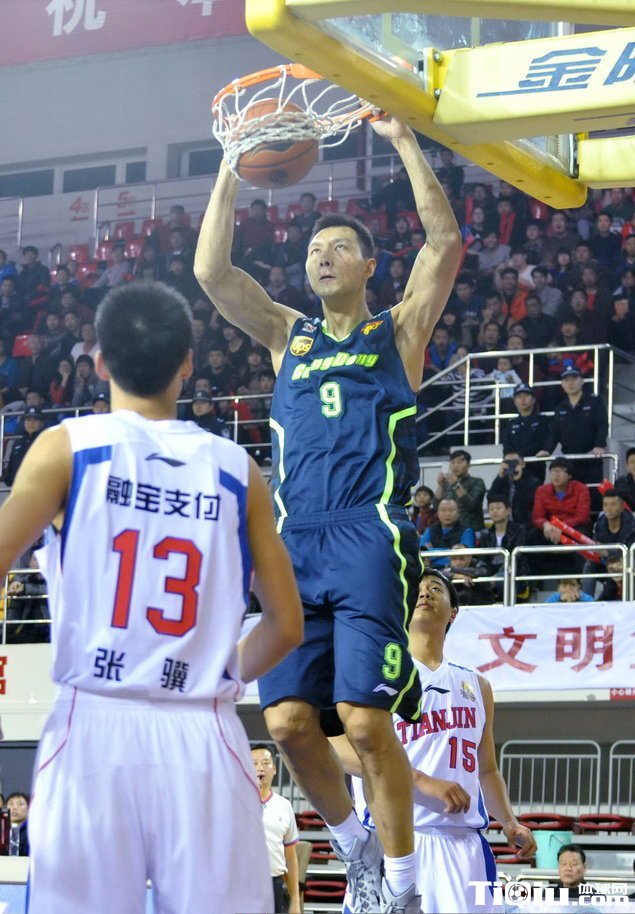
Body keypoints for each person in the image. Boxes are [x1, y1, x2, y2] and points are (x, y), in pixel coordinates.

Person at [196, 111, 462, 914]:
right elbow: (213, 273)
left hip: (368, 532)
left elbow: (444, 245)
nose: (321, 254)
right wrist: (230, 165)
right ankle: (356, 852)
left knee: (363, 719)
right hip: (293, 543)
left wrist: (404, 142)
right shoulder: (288, 336)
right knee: (283, 722)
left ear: (368, 265)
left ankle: (405, 889)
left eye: (339, 246)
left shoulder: (398, 330)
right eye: (314, 247)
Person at [0, 281, 304, 914]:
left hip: (93, 725)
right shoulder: (235, 469)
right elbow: (285, 624)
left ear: (99, 362)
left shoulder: (67, 447)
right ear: (187, 363)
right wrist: (216, 671)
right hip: (202, 731)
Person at [331, 571, 535, 914]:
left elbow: (487, 770)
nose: (425, 593)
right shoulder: (373, 671)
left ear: (453, 612)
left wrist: (509, 821)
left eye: (435, 589)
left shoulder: (477, 685)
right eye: (417, 590)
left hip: (463, 845)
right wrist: (417, 779)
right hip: (393, 839)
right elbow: (335, 747)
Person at [251, 744, 301, 914]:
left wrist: (295, 900)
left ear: (274, 769)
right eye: (254, 763)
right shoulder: (234, 803)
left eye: (266, 763)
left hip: (274, 885)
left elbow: (290, 856)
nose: (260, 768)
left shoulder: (284, 806)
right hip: (241, 885)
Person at [545, 366, 609, 488]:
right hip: (569, 461)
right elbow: (554, 433)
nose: (570, 383)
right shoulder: (559, 408)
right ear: (562, 384)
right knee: (571, 495)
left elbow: (602, 424)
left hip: (591, 458)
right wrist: (547, 450)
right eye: (566, 380)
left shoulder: (594, 402)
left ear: (582, 381)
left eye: (574, 378)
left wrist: (600, 445)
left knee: (593, 494)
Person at [581, 489, 635, 596]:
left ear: (622, 507)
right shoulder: (599, 524)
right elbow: (597, 545)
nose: (608, 509)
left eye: (613, 504)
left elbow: (631, 551)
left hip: (628, 565)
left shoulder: (632, 525)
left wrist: (608, 552)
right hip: (607, 564)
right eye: (605, 505)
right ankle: (587, 599)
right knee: (589, 565)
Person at [501, 385, 550, 482]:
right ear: (515, 401)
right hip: (513, 468)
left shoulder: (542, 421)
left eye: (526, 396)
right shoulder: (511, 423)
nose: (523, 399)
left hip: (535, 469)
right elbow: (507, 445)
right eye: (519, 396)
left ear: (533, 400)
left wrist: (519, 456)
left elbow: (541, 442)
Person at [435, 450, 486, 533]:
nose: (455, 465)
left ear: (469, 465)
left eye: (459, 462)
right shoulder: (447, 484)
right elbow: (436, 506)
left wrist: (456, 485)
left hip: (471, 529)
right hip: (449, 530)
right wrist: (441, 486)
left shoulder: (477, 482)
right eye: (453, 462)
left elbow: (472, 505)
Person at [488, 452, 539, 529]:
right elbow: (491, 499)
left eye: (515, 462)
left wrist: (518, 481)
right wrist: (499, 478)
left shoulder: (533, 482)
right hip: (504, 525)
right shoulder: (502, 481)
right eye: (507, 462)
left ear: (523, 464)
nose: (511, 465)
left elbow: (528, 503)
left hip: (526, 525)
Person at [420, 498, 475, 568]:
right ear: (437, 513)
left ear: (458, 513)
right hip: (432, 571)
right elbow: (422, 553)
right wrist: (449, 551)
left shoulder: (467, 531)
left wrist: (432, 552)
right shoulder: (430, 530)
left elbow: (462, 558)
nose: (447, 514)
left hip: (457, 571)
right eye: (443, 510)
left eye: (451, 510)